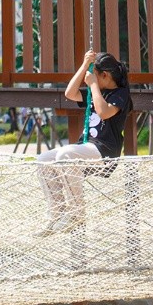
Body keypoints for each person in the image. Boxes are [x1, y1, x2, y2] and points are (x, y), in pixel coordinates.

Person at [35, 50, 132, 234]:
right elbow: (70, 93)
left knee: (65, 155)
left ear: (105, 76)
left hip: (105, 153)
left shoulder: (120, 95)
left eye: (94, 76)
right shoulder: (96, 91)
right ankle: (57, 214)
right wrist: (83, 65)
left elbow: (104, 112)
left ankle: (77, 214)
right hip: (87, 149)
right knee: (43, 159)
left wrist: (94, 86)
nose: (90, 81)